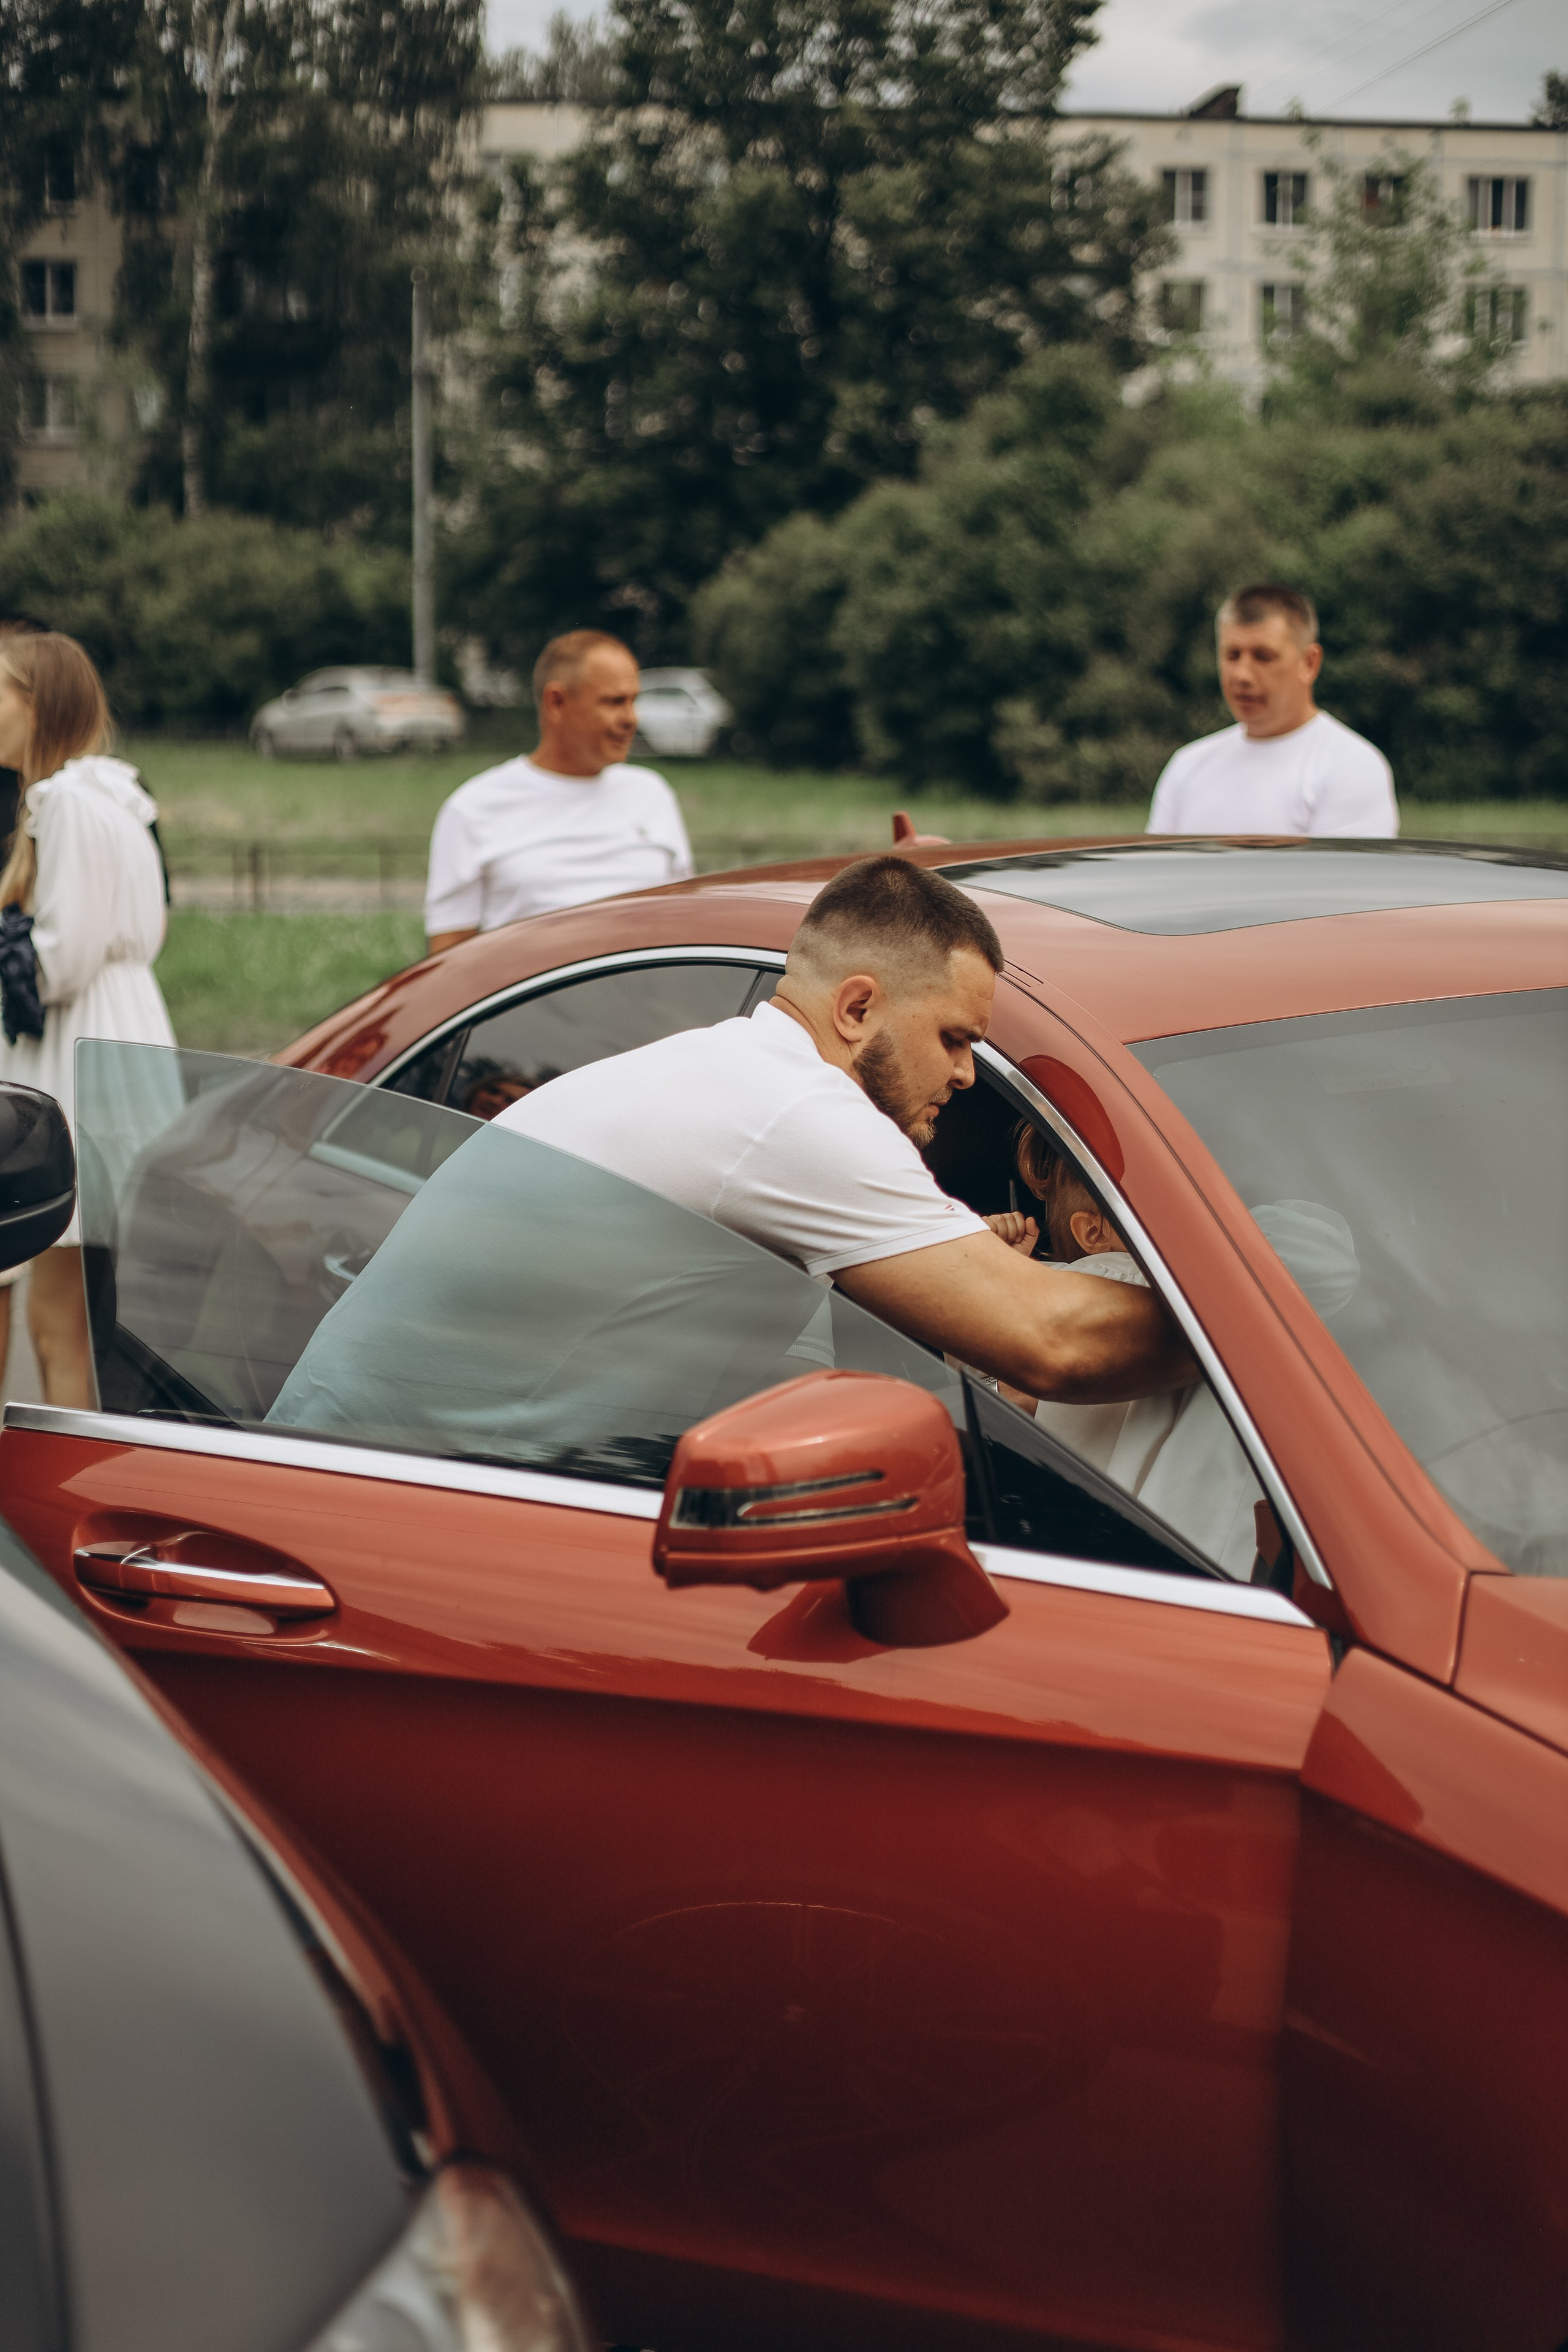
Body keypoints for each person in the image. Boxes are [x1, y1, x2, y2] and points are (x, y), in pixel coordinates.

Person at [491, 857, 1193, 1404]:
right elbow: (1053, 1342)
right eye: (954, 1038)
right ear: (857, 1008)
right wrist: (1282, 1325)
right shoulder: (793, 1112)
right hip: (457, 1506)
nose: (966, 1075)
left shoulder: (725, 1072)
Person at [1006, 1127, 1360, 1577]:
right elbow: (1325, 1261)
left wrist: (1013, 1273)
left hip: (1126, 1568)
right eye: (1158, 1199)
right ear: (1092, 1232)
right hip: (1198, 1571)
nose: (1184, 1214)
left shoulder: (1061, 1300)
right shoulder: (1129, 1281)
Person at [0, 631, 175, 1406]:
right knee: (72, 1300)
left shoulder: (65, 800)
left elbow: (57, 961)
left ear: (36, 705)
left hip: (75, 1044)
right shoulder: (116, 794)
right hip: (125, 1026)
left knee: (56, 1321)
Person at [424, 631, 693, 954]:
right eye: (614, 702)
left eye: (633, 701)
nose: (631, 719)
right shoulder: (472, 809)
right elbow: (447, 963)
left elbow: (683, 927)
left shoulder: (653, 794)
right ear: (557, 702)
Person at [1147, 584, 1398, 839]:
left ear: (1309, 663)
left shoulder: (1350, 767)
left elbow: (1340, 878)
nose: (1243, 675)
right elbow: (1155, 875)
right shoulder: (1187, 766)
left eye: (1264, 657)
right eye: (1232, 655)